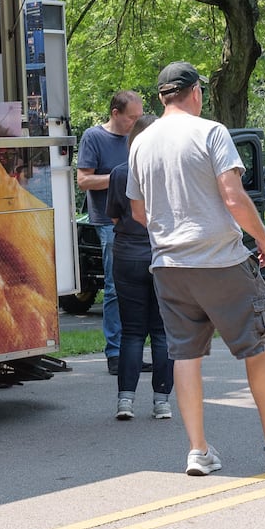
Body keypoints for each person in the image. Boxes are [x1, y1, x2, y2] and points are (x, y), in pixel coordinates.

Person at [128, 62, 265, 475]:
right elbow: (233, 197)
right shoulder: (211, 131)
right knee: (258, 347)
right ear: (196, 92)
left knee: (185, 355)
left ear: (162, 97)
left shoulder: (141, 143)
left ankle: (198, 450)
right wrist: (264, 240)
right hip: (219, 259)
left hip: (168, 266)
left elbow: (139, 212)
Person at [106, 114, 172, 420]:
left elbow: (116, 217)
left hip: (127, 255)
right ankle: (162, 402)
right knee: (161, 332)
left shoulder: (120, 173)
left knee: (131, 333)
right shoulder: (170, 172)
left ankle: (125, 401)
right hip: (162, 256)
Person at [77, 90, 145, 375]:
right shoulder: (94, 138)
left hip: (141, 220)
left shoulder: (139, 137)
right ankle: (115, 353)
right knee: (116, 288)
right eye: (132, 118)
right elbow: (84, 180)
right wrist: (120, 178)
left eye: (139, 117)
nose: (136, 123)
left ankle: (135, 352)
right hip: (109, 221)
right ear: (115, 113)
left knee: (143, 288)